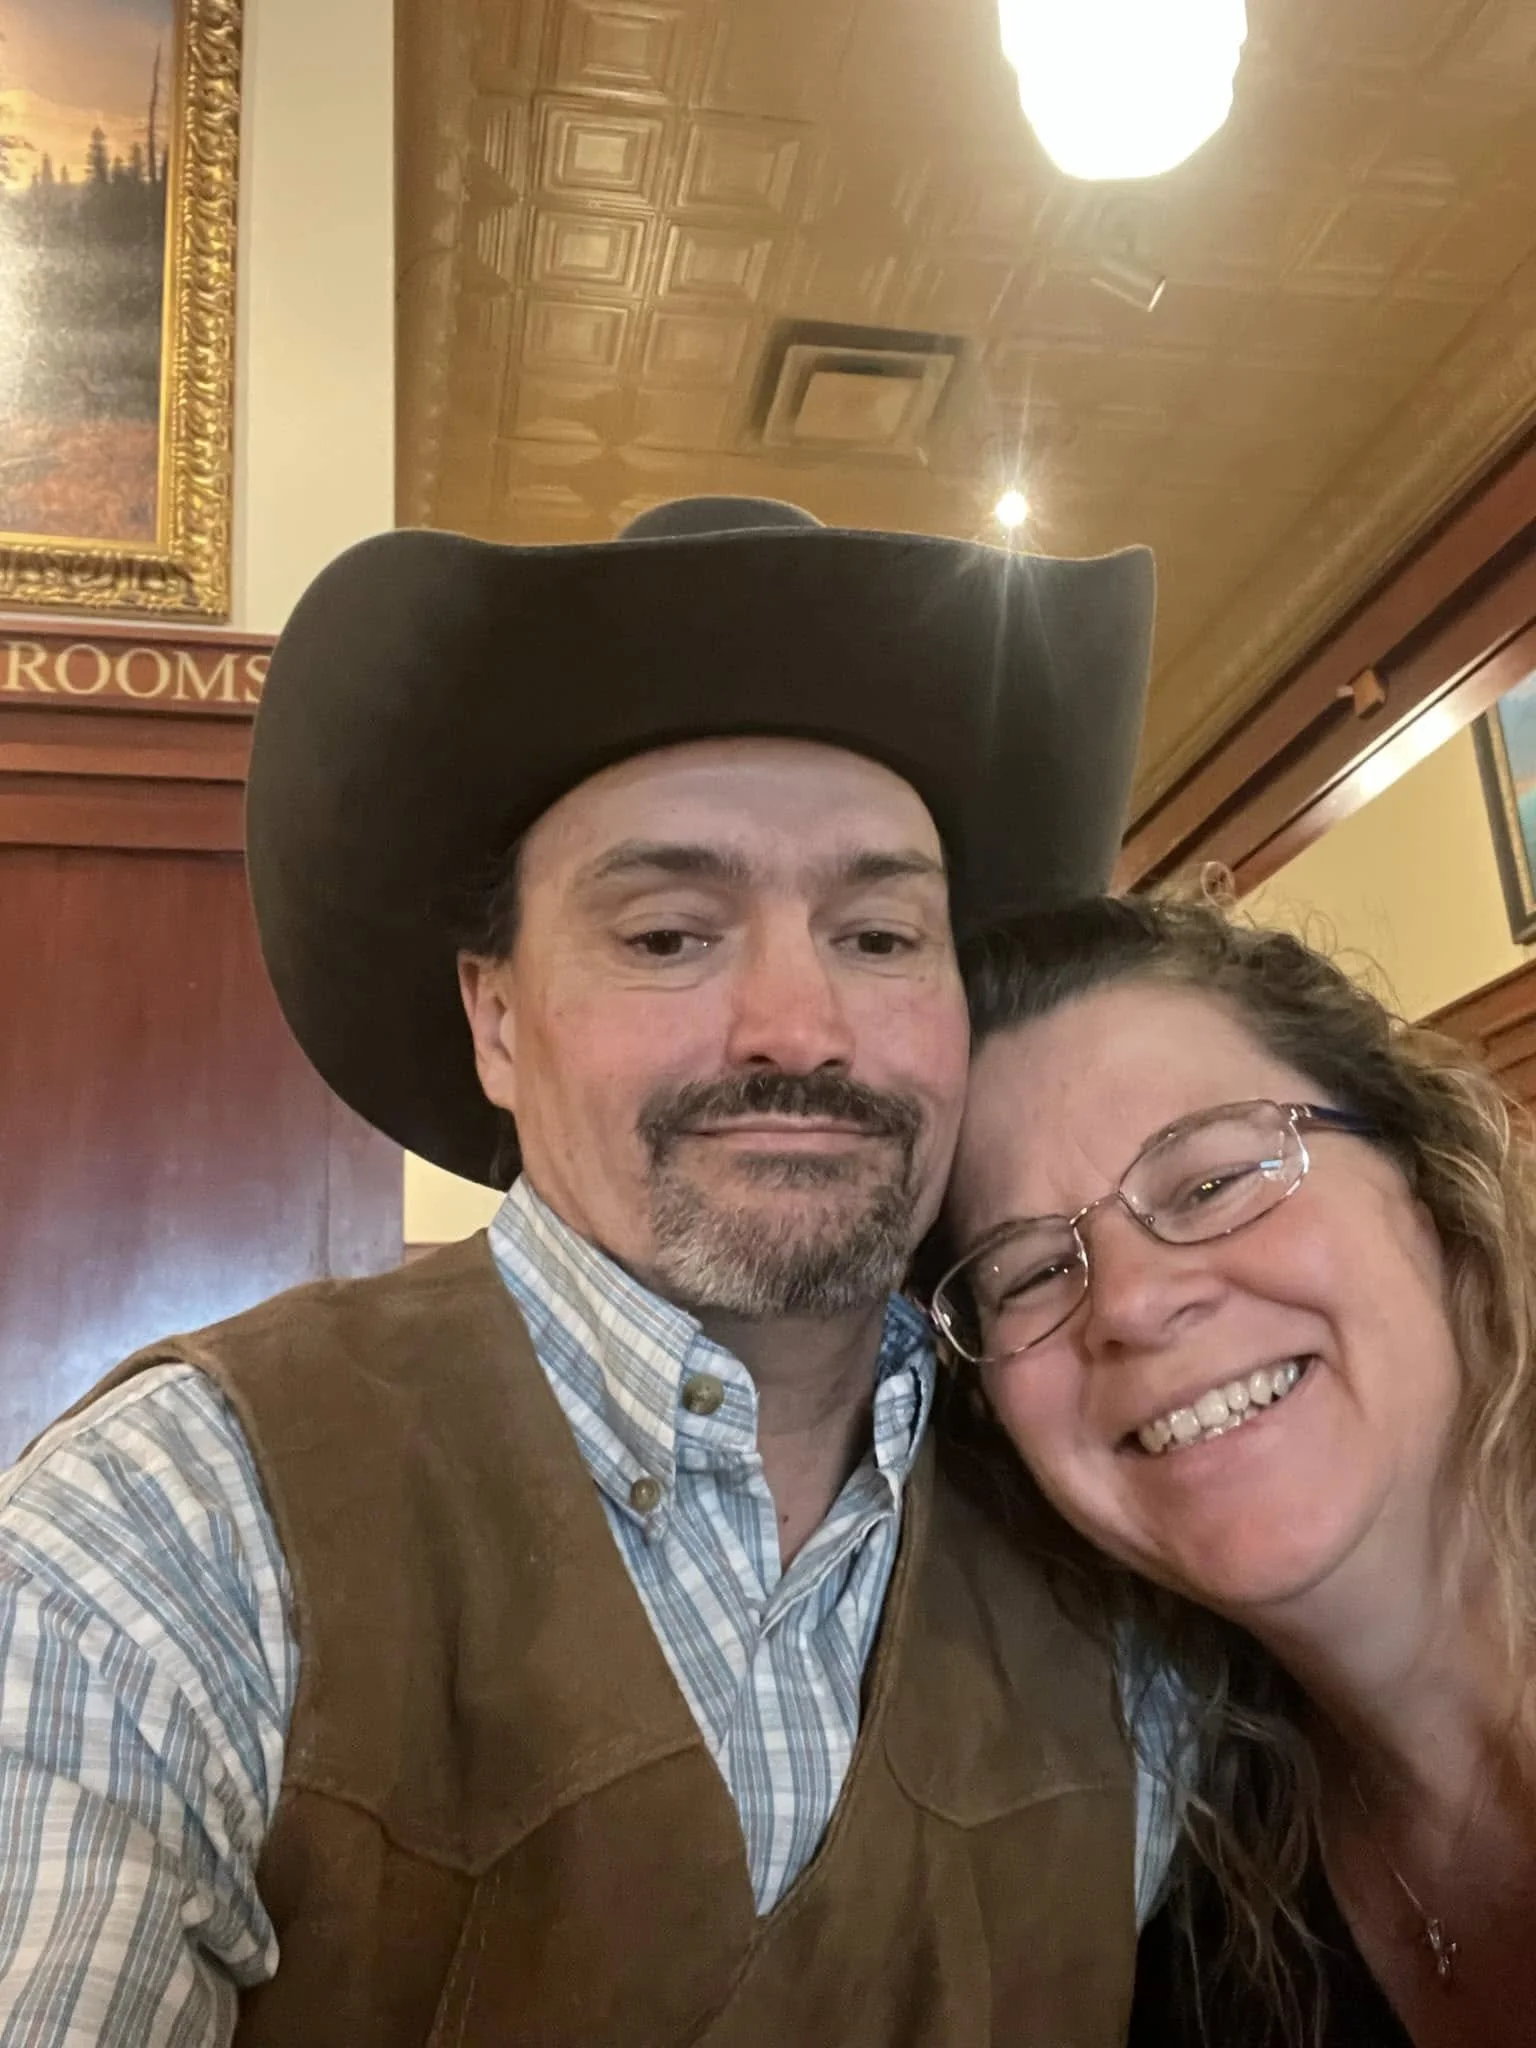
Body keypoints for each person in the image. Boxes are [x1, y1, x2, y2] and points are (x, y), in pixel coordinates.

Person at [0, 497, 1164, 2045]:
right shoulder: (178, 1526)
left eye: (881, 937)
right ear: (495, 1019)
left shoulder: (1117, 1522)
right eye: (671, 935)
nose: (799, 1026)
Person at [929, 891, 1536, 2048]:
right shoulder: (1182, 1933)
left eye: (1208, 1181)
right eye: (1027, 1273)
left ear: (1421, 1179)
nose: (1135, 1301)